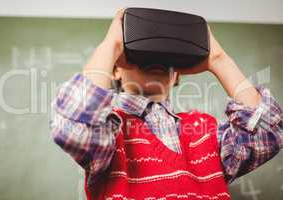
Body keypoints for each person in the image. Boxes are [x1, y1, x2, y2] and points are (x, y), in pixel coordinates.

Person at [50, 9, 283, 199]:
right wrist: (112, 45)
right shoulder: (110, 132)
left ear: (177, 75)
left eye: (166, 59)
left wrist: (218, 60)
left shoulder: (205, 131)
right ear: (115, 70)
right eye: (142, 55)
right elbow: (74, 128)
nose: (156, 60)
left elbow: (267, 133)